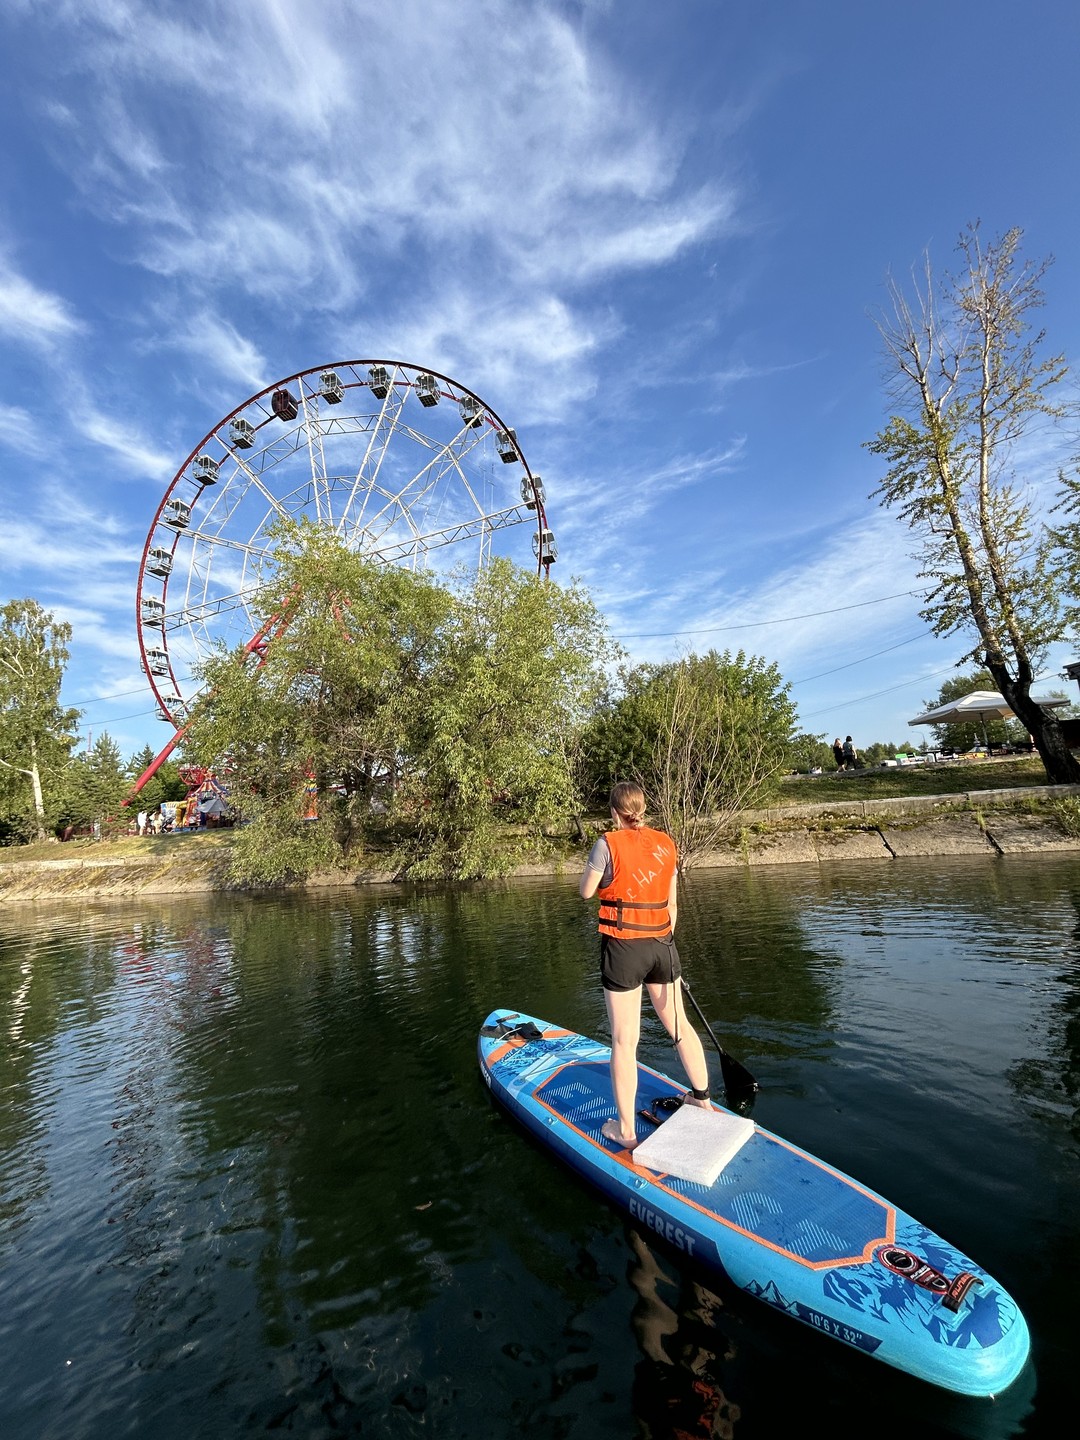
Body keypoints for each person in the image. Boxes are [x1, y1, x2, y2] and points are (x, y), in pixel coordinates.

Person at [579, 781, 712, 1148]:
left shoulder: (607, 843)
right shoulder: (667, 843)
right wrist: (663, 943)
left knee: (624, 1041)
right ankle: (701, 1098)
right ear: (643, 809)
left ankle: (624, 1131)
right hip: (662, 946)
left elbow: (586, 891)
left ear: (613, 812)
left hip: (624, 949)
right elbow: (671, 907)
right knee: (679, 1025)